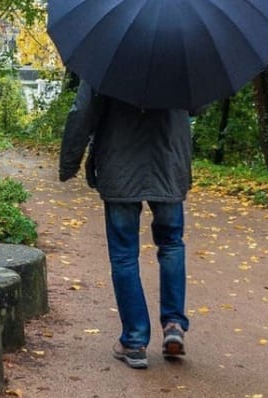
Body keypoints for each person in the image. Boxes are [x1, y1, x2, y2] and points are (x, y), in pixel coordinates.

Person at [58, 78, 192, 369]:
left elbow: (82, 112)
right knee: (171, 244)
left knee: (124, 254)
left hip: (120, 167)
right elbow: (199, 104)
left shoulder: (107, 55)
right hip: (169, 163)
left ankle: (134, 340)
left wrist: (69, 163)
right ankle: (173, 325)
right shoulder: (181, 53)